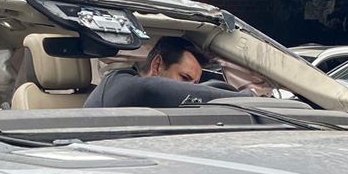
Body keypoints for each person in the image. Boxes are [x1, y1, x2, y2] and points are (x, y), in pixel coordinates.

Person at [83, 36, 246, 108]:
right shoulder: (117, 83)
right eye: (184, 78)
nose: (191, 88)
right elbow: (151, 89)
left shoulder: (167, 109)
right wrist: (245, 98)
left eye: (196, 84)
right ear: (157, 66)